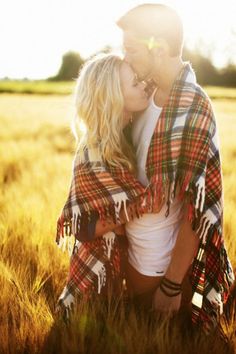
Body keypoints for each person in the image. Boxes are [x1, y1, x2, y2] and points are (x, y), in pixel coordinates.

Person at [114, 3, 234, 332]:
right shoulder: (138, 97)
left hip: (162, 276)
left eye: (131, 50)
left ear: (161, 48)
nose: (126, 59)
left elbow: (198, 209)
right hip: (127, 262)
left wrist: (170, 286)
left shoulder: (195, 107)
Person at [56, 53, 153, 317]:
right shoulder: (91, 153)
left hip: (118, 272)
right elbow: (80, 228)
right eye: (135, 83)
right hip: (93, 275)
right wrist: (129, 211)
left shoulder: (125, 139)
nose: (143, 85)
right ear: (114, 99)